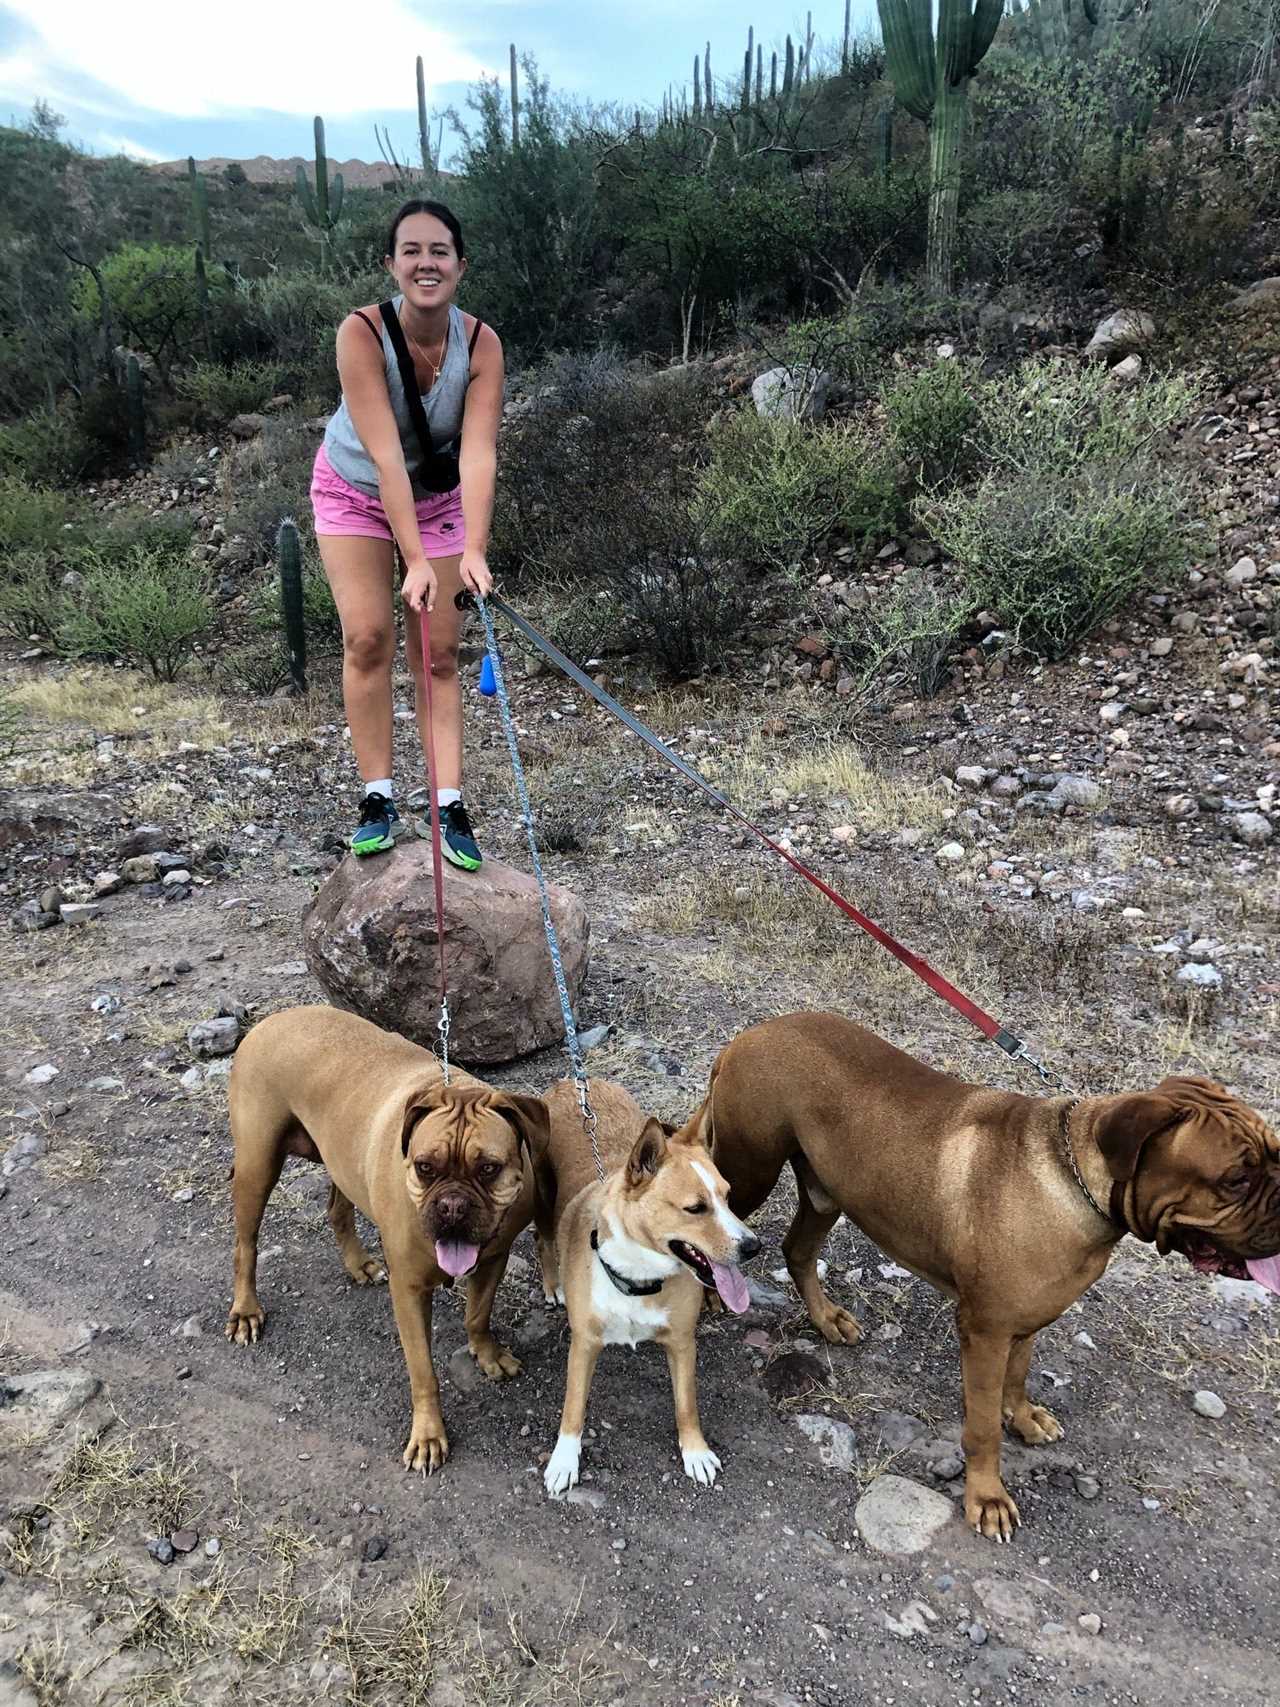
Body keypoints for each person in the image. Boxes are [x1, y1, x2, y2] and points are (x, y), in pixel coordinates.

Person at [310, 199, 502, 867]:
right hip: (355, 488)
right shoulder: (360, 333)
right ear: (391, 264)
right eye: (412, 250)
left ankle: (449, 802)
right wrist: (414, 560)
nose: (427, 262)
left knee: (439, 652)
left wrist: (471, 547)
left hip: (437, 497)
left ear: (460, 264)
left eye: (440, 250)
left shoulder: (481, 344)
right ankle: (377, 796)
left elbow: (478, 452)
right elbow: (387, 453)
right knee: (368, 637)